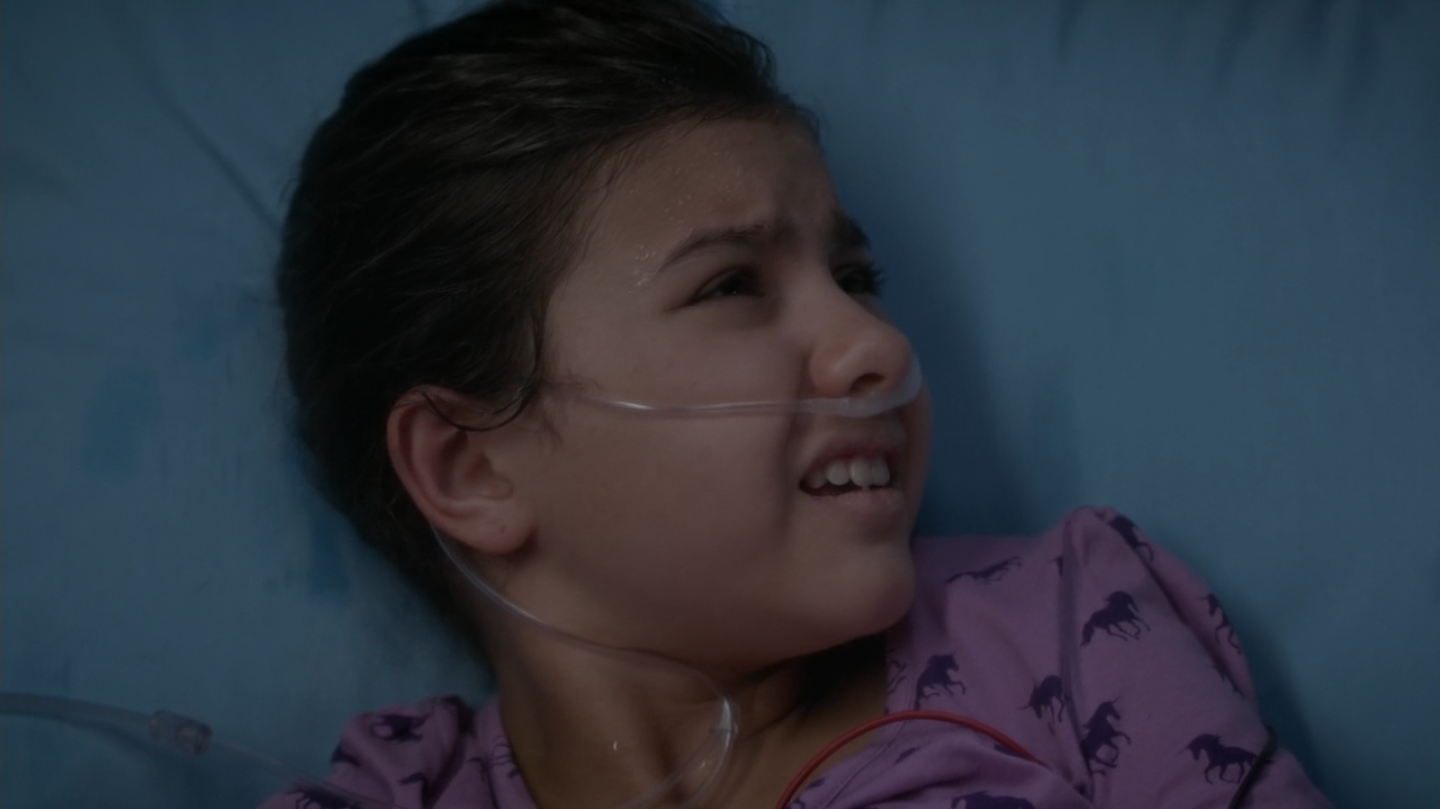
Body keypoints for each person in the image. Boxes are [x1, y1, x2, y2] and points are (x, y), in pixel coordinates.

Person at [267, 1, 1332, 807]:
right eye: (731, 285)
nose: (878, 345)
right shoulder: (399, 790)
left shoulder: (1062, 630)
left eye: (857, 278)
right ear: (472, 467)